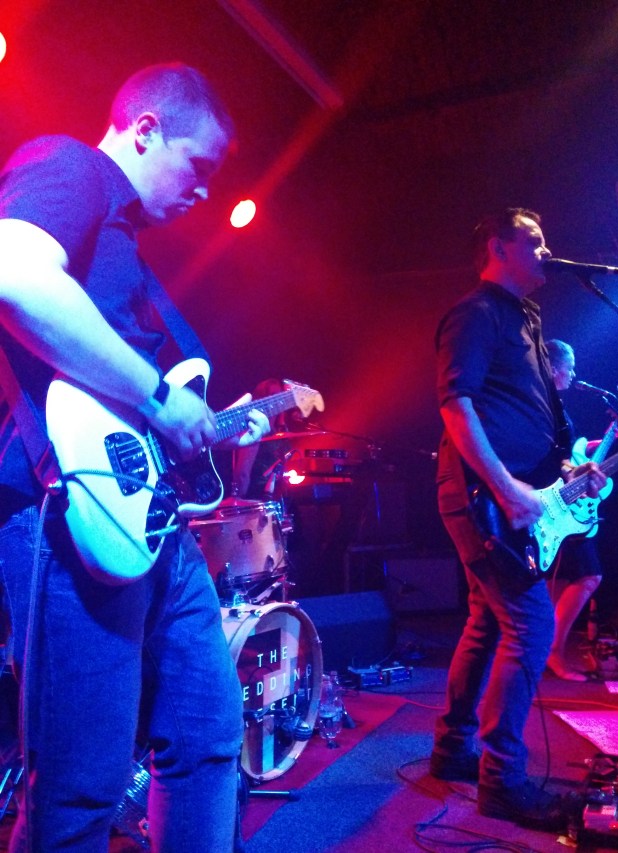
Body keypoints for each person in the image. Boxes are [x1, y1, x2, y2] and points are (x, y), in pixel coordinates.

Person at [0, 63, 271, 852]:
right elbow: (13, 273)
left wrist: (213, 432)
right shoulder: (69, 164)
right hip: (69, 515)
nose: (205, 194)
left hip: (152, 524)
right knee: (81, 788)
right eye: (200, 167)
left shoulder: (130, 254)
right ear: (145, 129)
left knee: (206, 737)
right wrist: (158, 397)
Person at [429, 208, 607, 830]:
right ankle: (502, 780)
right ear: (499, 248)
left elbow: (535, 415)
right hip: (483, 499)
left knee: (486, 621)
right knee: (530, 627)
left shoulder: (525, 319)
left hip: (517, 495)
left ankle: (454, 749)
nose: (547, 248)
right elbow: (457, 405)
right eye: (532, 240)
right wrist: (506, 490)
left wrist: (568, 471)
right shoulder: (476, 314)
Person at [545, 339, 604, 681]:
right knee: (588, 576)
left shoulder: (556, 408)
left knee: (562, 579)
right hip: (559, 505)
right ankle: (552, 652)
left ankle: (545, 649)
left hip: (563, 505)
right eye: (570, 367)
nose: (574, 374)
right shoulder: (547, 407)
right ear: (554, 369)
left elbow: (569, 453)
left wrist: (594, 447)